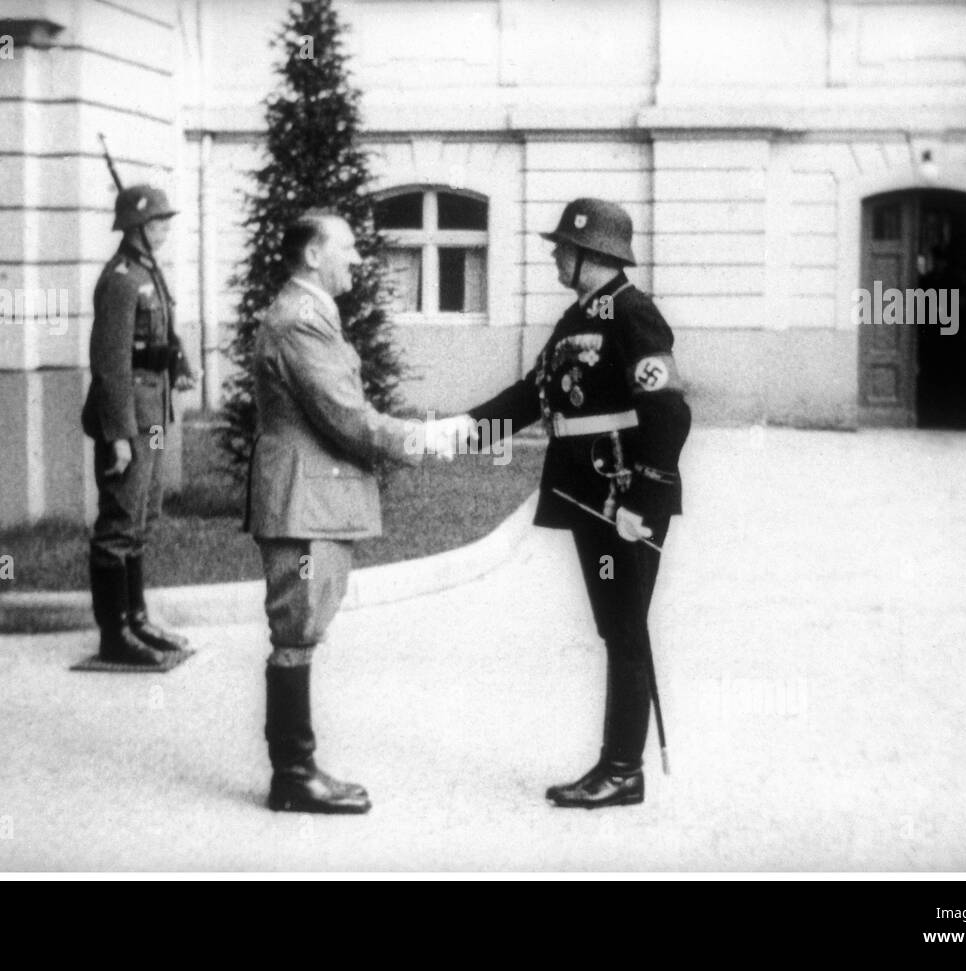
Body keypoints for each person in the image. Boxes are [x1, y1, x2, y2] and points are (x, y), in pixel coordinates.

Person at [453, 198, 692, 809]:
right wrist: (458, 433)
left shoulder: (635, 314)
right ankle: (618, 766)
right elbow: (531, 397)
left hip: (623, 496)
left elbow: (667, 410)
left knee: (625, 628)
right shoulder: (575, 319)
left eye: (563, 246)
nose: (555, 254)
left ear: (592, 254)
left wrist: (643, 495)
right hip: (590, 497)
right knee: (617, 625)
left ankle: (621, 770)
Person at [246, 210, 454, 814]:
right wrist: (421, 439)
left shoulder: (307, 315)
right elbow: (345, 416)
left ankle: (298, 769)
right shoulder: (302, 321)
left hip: (311, 499)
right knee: (296, 633)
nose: (358, 259)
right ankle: (293, 775)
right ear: (313, 255)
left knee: (301, 634)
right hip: (305, 504)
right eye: (347, 248)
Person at [81, 185, 196, 666]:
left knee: (143, 518)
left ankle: (138, 619)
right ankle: (115, 635)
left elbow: (158, 339)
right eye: (159, 223)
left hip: (154, 411)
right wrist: (119, 438)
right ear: (137, 228)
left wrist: (180, 365)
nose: (166, 230)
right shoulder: (122, 280)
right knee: (118, 524)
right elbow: (110, 367)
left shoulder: (150, 274)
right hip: (128, 417)